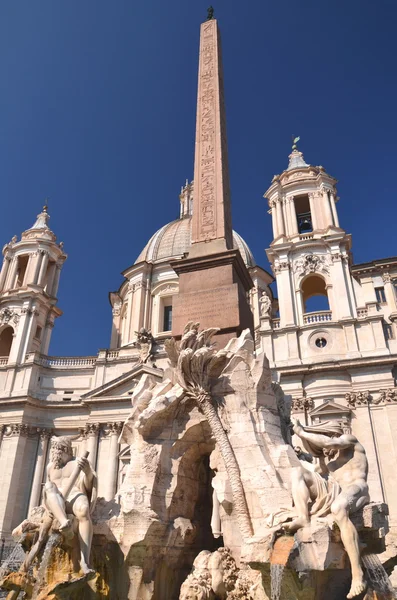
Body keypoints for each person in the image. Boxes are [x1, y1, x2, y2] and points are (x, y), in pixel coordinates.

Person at [287, 419, 369, 599]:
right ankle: (303, 517)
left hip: (357, 489)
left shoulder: (350, 441)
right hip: (335, 491)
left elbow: (330, 443)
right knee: (296, 472)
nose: (325, 451)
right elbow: (313, 468)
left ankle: (358, 574)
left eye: (324, 441)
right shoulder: (329, 462)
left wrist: (302, 433)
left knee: (338, 507)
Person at [44, 436, 97, 575]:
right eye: (53, 450)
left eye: (58, 450)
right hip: (55, 499)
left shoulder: (77, 463)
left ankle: (84, 561)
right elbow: (47, 491)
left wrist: (87, 472)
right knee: (49, 486)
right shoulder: (50, 467)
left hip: (74, 494)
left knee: (84, 510)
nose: (55, 453)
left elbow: (89, 484)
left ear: (67, 450)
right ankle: (64, 523)